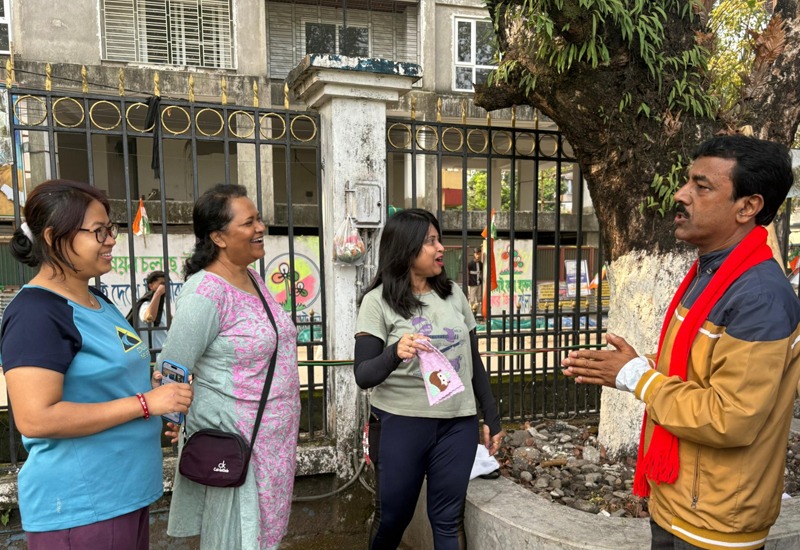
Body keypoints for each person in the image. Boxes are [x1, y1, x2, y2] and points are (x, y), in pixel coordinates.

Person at [561, 135, 800, 550]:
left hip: (717, 522)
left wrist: (638, 377)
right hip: (677, 501)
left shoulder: (759, 297)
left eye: (701, 187)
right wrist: (635, 365)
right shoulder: (711, 272)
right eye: (687, 181)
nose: (680, 194)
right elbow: (699, 365)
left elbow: (731, 417)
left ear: (747, 207)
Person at [0, 179, 192, 550]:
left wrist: (156, 392)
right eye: (98, 231)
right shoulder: (36, 313)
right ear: (54, 237)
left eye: (111, 229)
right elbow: (36, 418)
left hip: (124, 492)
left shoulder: (98, 301)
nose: (110, 240)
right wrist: (145, 404)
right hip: (81, 505)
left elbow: (104, 381)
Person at [354, 208, 504, 549]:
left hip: (457, 424)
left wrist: (491, 417)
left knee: (449, 520)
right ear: (406, 249)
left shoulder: (453, 294)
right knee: (393, 517)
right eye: (430, 242)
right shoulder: (378, 302)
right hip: (400, 423)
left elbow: (473, 361)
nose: (440, 248)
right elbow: (363, 375)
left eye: (439, 240)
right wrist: (395, 352)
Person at [160, 183, 300, 550]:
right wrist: (176, 421)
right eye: (249, 222)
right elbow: (172, 367)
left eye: (259, 219)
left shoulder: (252, 278)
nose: (260, 228)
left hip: (273, 445)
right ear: (219, 237)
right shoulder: (206, 292)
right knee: (237, 537)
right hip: (235, 441)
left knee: (263, 535)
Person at [127, 270, 168, 362]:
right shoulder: (146, 304)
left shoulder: (161, 308)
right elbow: (149, 317)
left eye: (166, 284)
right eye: (162, 284)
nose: (165, 287)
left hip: (163, 356)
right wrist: (158, 293)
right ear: (151, 286)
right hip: (152, 358)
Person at [466, 248, 483, 315]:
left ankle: (477, 313)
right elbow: (467, 273)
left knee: (479, 299)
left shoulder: (481, 264)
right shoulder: (470, 264)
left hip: (479, 284)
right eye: (476, 254)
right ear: (474, 254)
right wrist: (468, 282)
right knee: (472, 300)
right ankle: (470, 314)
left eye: (479, 254)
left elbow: (481, 272)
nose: (478, 255)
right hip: (472, 284)